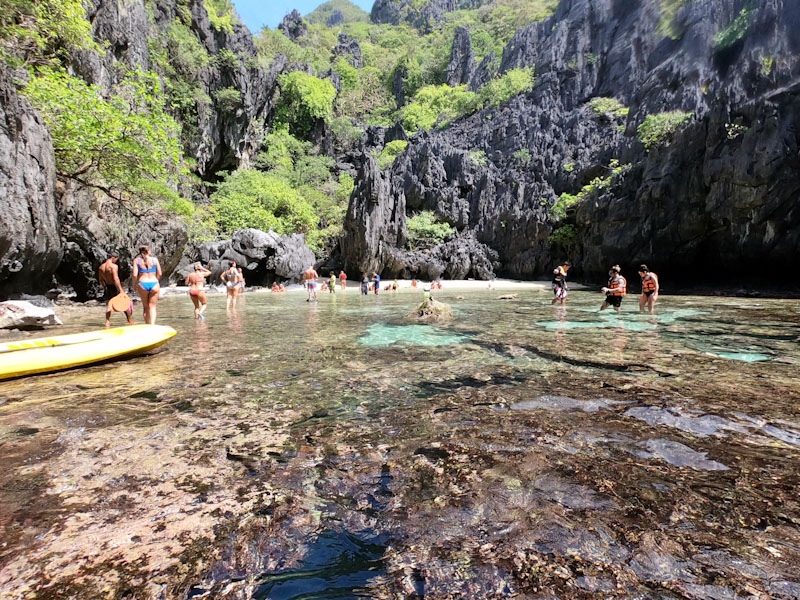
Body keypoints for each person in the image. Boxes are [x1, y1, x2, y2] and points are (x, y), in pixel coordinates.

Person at [98, 252, 134, 327]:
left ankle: (107, 322)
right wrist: (120, 289)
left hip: (108, 287)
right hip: (115, 286)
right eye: (116, 259)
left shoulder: (101, 267)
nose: (116, 261)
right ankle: (129, 320)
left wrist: (105, 288)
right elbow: (115, 278)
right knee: (125, 302)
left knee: (109, 304)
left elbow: (101, 280)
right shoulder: (113, 266)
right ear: (113, 258)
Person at [132, 245, 162, 324]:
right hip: (154, 283)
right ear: (148, 251)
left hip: (143, 283)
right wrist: (156, 280)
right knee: (153, 307)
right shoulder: (154, 260)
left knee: (145, 307)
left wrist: (134, 285)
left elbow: (134, 275)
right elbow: (160, 273)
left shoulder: (136, 260)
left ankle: (147, 325)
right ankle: (152, 325)